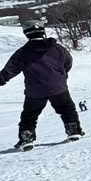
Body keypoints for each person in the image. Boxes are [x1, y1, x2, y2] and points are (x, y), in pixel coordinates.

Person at [0, 21, 84, 149]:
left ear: (27, 34)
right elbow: (68, 61)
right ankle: (74, 131)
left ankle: (26, 139)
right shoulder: (58, 48)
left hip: (35, 90)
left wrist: (2, 79)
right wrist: (60, 75)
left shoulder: (23, 52)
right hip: (58, 87)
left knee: (30, 114)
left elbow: (10, 69)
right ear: (42, 32)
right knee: (67, 109)